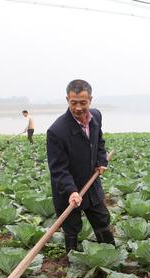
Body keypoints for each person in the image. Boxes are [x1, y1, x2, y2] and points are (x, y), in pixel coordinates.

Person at [46, 79, 114, 253]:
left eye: (83, 103)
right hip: (69, 189)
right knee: (71, 226)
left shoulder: (96, 116)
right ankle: (72, 261)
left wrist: (101, 161)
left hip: (91, 183)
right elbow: (58, 169)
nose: (78, 108)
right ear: (67, 99)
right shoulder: (57, 131)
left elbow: (99, 141)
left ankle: (110, 256)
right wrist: (71, 191)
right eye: (73, 102)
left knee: (102, 219)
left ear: (90, 100)